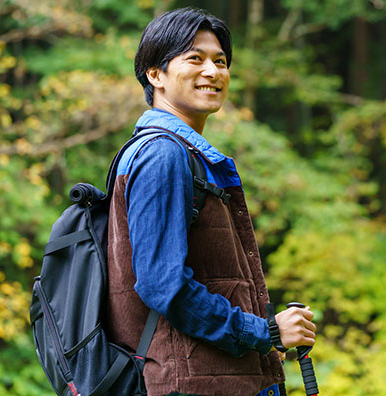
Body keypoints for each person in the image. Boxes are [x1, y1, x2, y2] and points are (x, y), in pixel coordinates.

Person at [105, 7, 316, 396]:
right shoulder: (163, 154)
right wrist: (266, 331)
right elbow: (161, 285)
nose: (213, 72)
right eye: (195, 59)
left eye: (220, 61)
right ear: (156, 75)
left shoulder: (184, 155)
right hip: (189, 383)